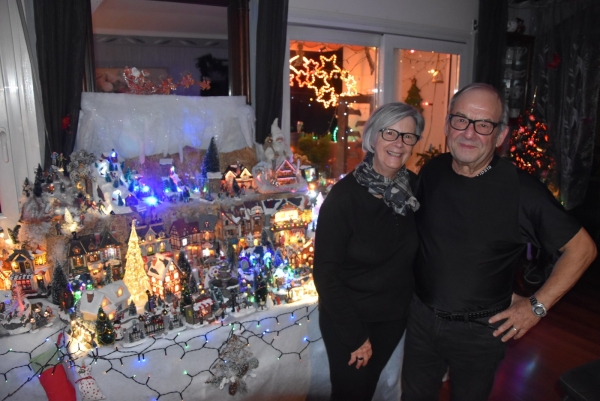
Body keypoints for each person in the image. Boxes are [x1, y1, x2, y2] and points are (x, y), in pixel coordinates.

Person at [401, 83, 597, 401]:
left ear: (501, 134)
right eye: (461, 120)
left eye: (484, 124)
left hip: (479, 332)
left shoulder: (521, 190)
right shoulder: (433, 170)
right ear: (448, 124)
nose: (469, 133)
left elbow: (582, 249)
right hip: (421, 319)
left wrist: (536, 307)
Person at [314, 102, 424, 400]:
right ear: (373, 136)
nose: (399, 144)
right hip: (350, 319)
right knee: (351, 394)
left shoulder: (414, 189)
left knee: (369, 388)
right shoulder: (344, 199)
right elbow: (325, 274)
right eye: (391, 133)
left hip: (392, 318)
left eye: (408, 137)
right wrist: (356, 336)